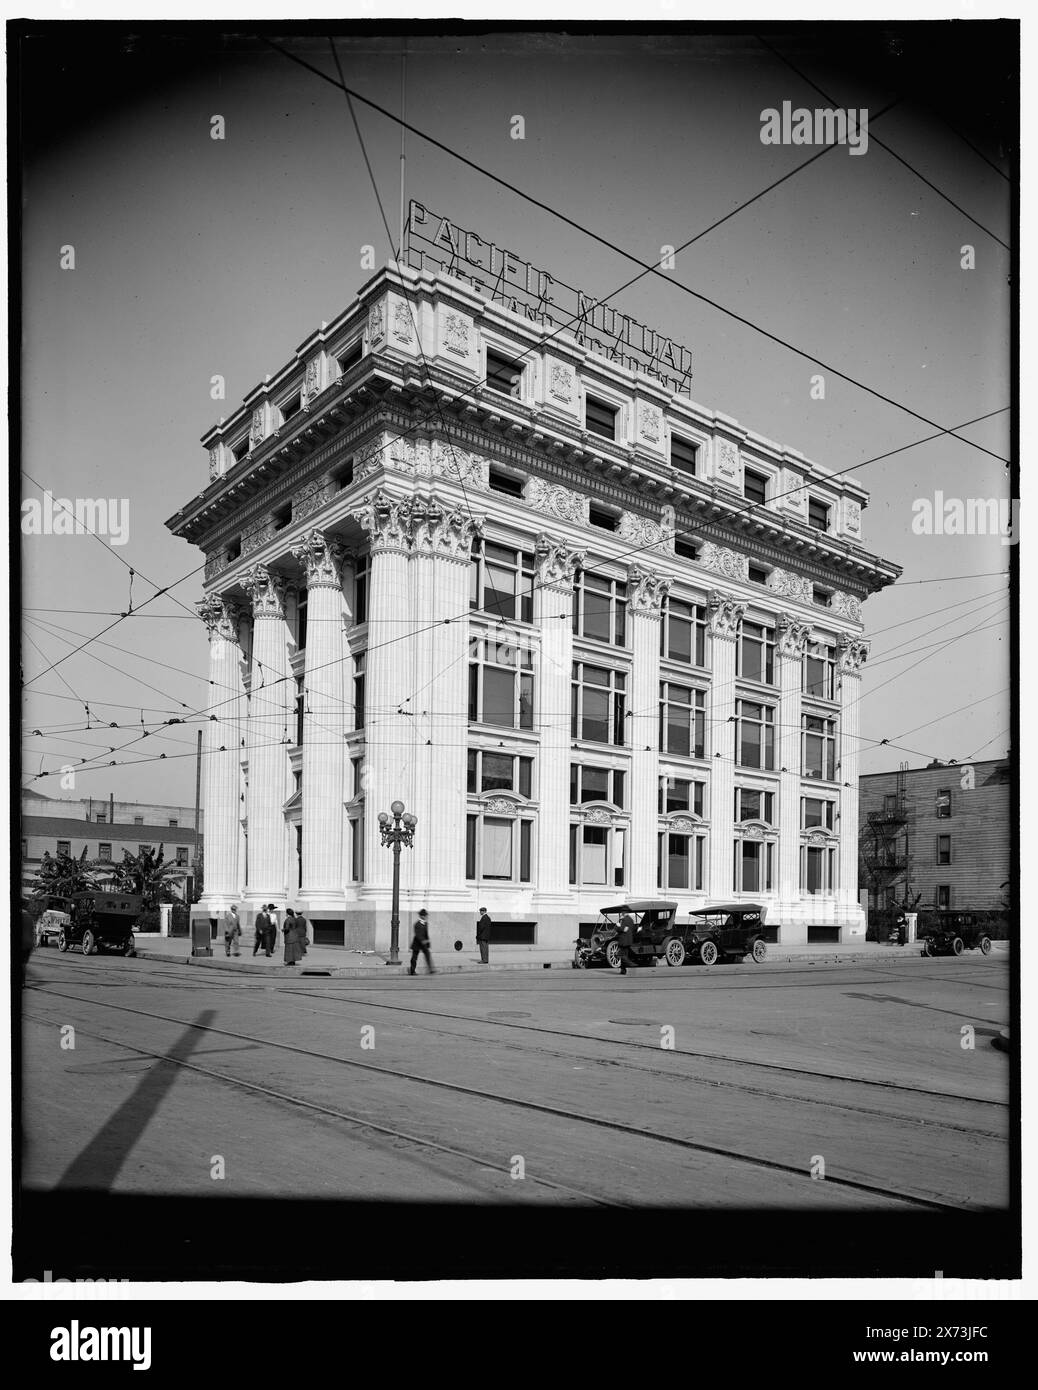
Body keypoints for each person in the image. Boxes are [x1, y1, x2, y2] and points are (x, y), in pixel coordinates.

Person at [409, 908, 435, 975]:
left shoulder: (426, 924)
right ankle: (412, 971)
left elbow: (426, 934)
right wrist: (422, 940)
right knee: (414, 958)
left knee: (427, 955)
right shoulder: (417, 924)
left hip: (424, 944)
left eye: (426, 915)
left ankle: (431, 969)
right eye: (425, 915)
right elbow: (417, 934)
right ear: (421, 916)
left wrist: (427, 942)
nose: (426, 917)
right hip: (417, 943)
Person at [617, 912, 637, 977]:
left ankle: (630, 964)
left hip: (623, 940)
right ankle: (623, 970)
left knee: (620, 954)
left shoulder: (624, 920)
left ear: (623, 914)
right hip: (629, 940)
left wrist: (618, 925)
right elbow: (632, 929)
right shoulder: (631, 920)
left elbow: (622, 929)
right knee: (625, 954)